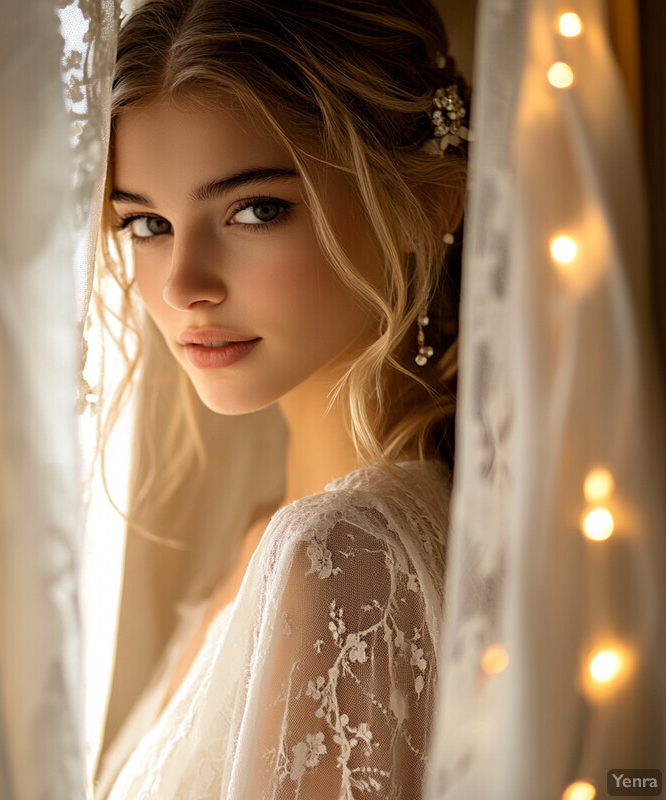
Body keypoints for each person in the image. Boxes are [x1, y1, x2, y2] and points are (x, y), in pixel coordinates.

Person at [94, 0, 469, 797]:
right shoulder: (282, 536)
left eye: (256, 210)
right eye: (147, 223)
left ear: (425, 204)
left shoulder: (339, 554)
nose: (182, 284)